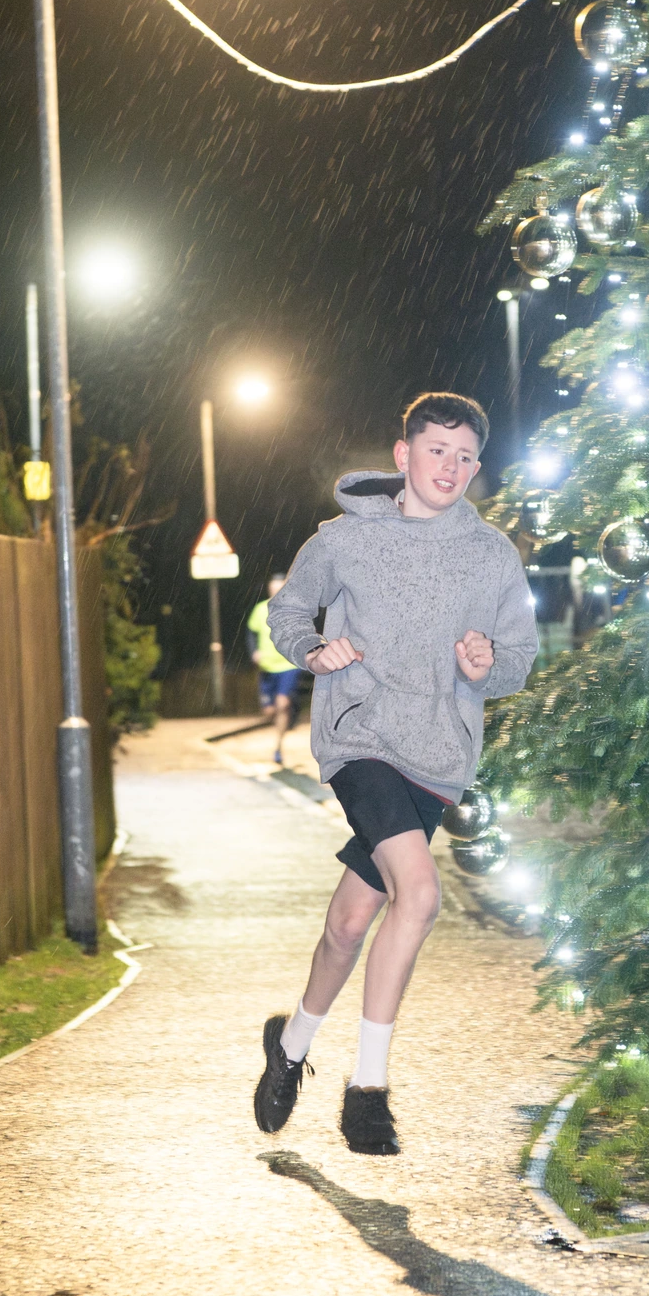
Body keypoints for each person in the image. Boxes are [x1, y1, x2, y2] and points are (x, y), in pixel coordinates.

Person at [253, 392, 538, 1155]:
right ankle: (367, 1090)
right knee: (419, 893)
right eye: (435, 450)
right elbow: (290, 612)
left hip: (439, 759)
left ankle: (290, 1046)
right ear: (402, 454)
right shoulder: (344, 541)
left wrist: (489, 663)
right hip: (363, 738)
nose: (450, 466)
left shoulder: (491, 555)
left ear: (477, 466)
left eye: (464, 455)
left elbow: (516, 657)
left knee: (350, 924)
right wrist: (315, 652)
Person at [246, 571, 301, 766]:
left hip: (288, 665)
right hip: (267, 667)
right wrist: (254, 652)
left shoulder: (294, 609)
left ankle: (278, 748)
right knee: (269, 711)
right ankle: (289, 715)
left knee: (282, 704)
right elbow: (251, 633)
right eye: (273, 589)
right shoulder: (261, 609)